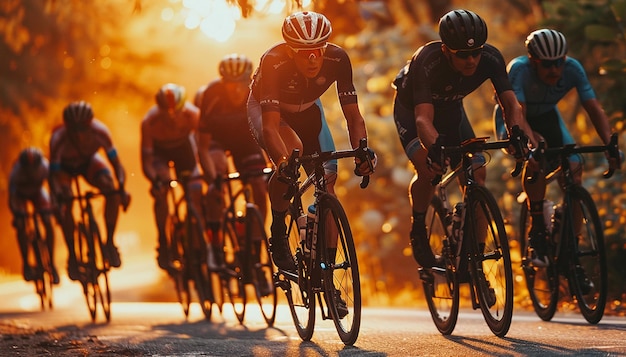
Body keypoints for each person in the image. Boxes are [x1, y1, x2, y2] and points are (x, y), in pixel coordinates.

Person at [247, 11, 376, 313]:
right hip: (269, 112)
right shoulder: (273, 61)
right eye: (305, 52)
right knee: (291, 153)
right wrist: (283, 161)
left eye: (319, 49)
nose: (313, 58)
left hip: (308, 110)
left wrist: (362, 152)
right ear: (291, 50)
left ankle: (326, 278)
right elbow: (269, 127)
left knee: (328, 182)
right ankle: (279, 230)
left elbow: (353, 116)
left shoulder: (338, 59)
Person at [392, 9, 536, 270]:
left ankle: (476, 261)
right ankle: (419, 226)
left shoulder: (490, 57)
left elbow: (511, 104)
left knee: (477, 175)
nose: (471, 60)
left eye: (476, 52)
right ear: (446, 50)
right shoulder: (426, 60)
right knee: (428, 169)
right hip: (412, 112)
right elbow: (423, 119)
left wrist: (516, 132)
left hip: (451, 111)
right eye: (463, 55)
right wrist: (435, 149)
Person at [493, 29, 622, 268]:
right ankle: (537, 231)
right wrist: (531, 146)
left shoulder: (573, 68)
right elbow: (518, 113)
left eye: (559, 63)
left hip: (548, 117)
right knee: (536, 156)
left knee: (574, 168)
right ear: (533, 62)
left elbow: (593, 108)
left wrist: (609, 144)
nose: (554, 69)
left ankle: (570, 250)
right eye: (547, 64)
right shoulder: (519, 70)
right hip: (514, 118)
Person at [195, 54, 271, 282]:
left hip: (247, 143)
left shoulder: (257, 92)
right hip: (217, 142)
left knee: (259, 185)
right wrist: (212, 179)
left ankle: (255, 247)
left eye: (240, 84)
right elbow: (202, 146)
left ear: (249, 81)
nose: (236, 90)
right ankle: (216, 246)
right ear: (222, 82)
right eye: (230, 84)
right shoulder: (211, 95)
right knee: (217, 179)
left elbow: (269, 132)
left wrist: (273, 165)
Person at [49, 101, 130, 280]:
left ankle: (109, 242)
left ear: (90, 125)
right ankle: (72, 256)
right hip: (64, 168)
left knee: (110, 188)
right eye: (74, 130)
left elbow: (117, 165)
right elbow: (53, 175)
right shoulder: (58, 138)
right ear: (67, 128)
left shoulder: (101, 131)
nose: (79, 135)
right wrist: (57, 199)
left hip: (89, 162)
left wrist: (122, 188)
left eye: (83, 129)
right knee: (67, 199)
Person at [141, 83, 217, 270]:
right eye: (166, 113)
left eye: (176, 112)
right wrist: (155, 180)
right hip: (160, 154)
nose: (171, 117)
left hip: (185, 152)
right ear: (159, 110)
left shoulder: (193, 115)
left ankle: (199, 241)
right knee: (161, 191)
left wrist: (208, 175)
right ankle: (163, 243)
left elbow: (202, 149)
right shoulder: (149, 123)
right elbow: (147, 161)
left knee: (196, 194)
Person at [8, 147, 60, 284]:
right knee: (20, 224)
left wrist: (54, 206)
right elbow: (12, 196)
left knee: (48, 221)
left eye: (33, 168)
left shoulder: (45, 166)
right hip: (20, 195)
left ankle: (52, 263)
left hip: (38, 192)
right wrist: (16, 214)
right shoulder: (16, 172)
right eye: (27, 169)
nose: (30, 172)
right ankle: (26, 263)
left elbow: (53, 187)